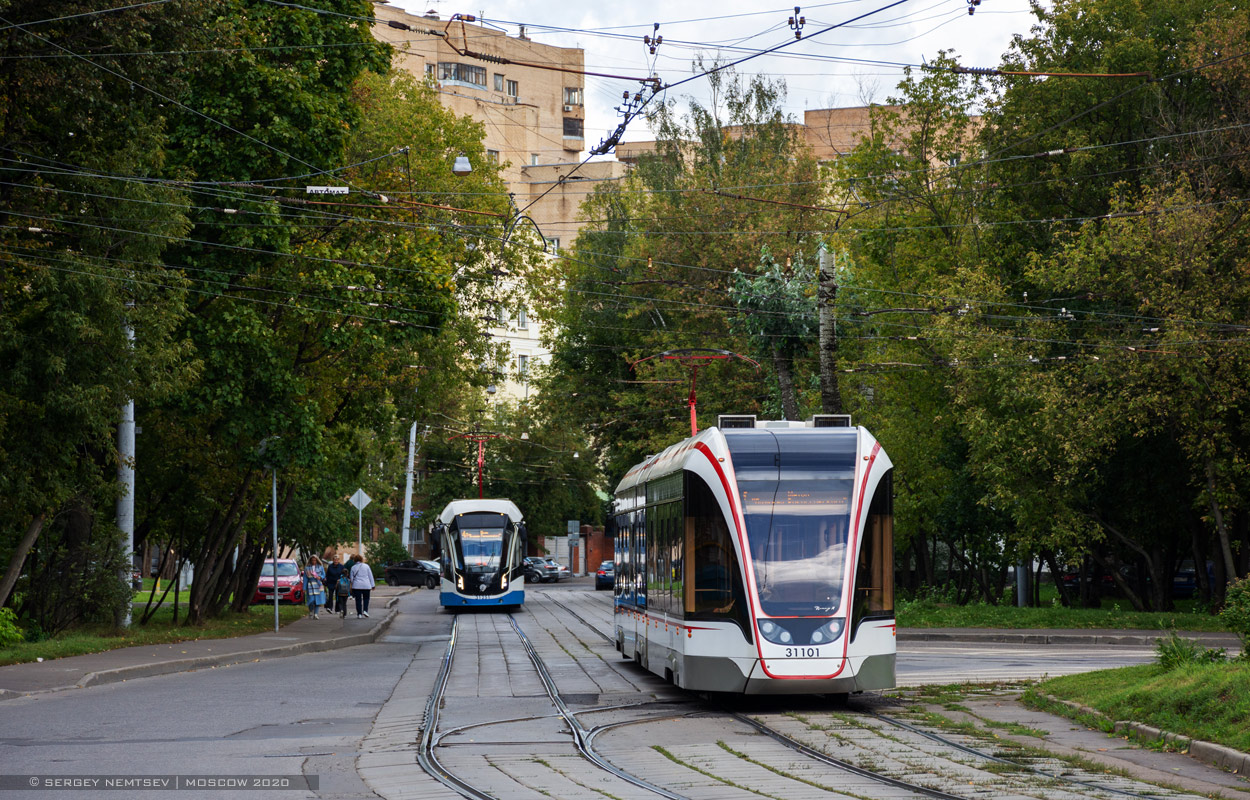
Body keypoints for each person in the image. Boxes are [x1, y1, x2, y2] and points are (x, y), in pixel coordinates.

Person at [349, 554, 376, 618]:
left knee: (358, 600)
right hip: (366, 585)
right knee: (366, 599)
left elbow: (351, 578)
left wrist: (353, 583)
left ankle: (359, 614)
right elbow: (370, 576)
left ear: (354, 560)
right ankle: (365, 611)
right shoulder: (366, 566)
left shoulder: (353, 567)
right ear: (361, 559)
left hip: (357, 586)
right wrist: (373, 585)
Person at [302, 556, 326, 620]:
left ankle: (316, 614)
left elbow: (323, 575)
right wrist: (304, 588)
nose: (314, 562)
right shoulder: (307, 568)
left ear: (317, 560)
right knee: (311, 600)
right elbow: (305, 578)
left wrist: (320, 577)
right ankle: (311, 610)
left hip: (318, 584)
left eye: (315, 560)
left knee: (318, 600)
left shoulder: (320, 567)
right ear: (310, 560)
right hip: (310, 585)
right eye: (312, 560)